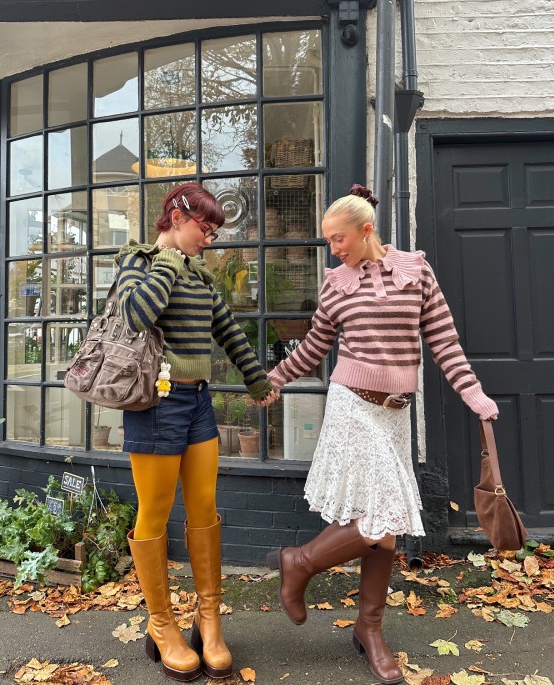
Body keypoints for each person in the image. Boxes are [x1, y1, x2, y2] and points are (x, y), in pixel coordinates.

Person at [266, 184, 498, 685]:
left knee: (383, 531)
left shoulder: (416, 272)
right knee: (383, 522)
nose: (334, 249)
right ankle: (301, 563)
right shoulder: (336, 284)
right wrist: (276, 379)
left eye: (339, 239)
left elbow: (443, 339)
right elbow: (314, 347)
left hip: (394, 415)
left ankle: (367, 628)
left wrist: (472, 393)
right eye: (329, 241)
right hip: (352, 407)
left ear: (366, 229)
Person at [115, 182, 278, 682]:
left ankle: (208, 620)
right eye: (203, 228)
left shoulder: (202, 276)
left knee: (205, 508)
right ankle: (161, 624)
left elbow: (226, 329)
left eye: (212, 231)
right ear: (175, 217)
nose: (208, 238)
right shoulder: (137, 261)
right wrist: (167, 259)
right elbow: (135, 315)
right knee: (156, 512)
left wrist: (256, 378)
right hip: (155, 403)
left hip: (198, 402)